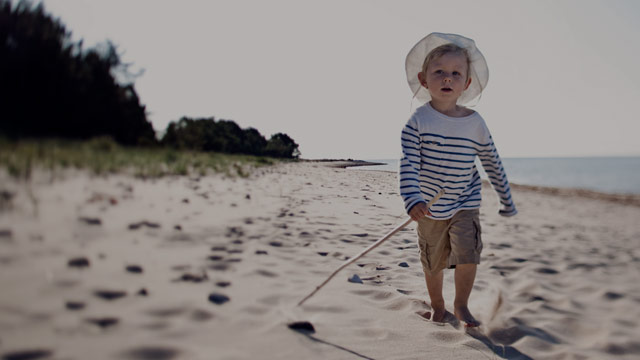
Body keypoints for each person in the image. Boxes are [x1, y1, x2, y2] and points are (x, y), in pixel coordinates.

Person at [399, 33, 517, 328]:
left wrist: (506, 199)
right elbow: (409, 164)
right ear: (424, 79)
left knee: (468, 254)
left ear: (466, 83)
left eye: (456, 73)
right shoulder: (417, 122)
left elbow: (491, 160)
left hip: (465, 200)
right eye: (439, 72)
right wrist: (412, 199)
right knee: (433, 260)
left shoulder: (474, 123)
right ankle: (438, 306)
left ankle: (461, 305)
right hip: (428, 206)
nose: (447, 78)